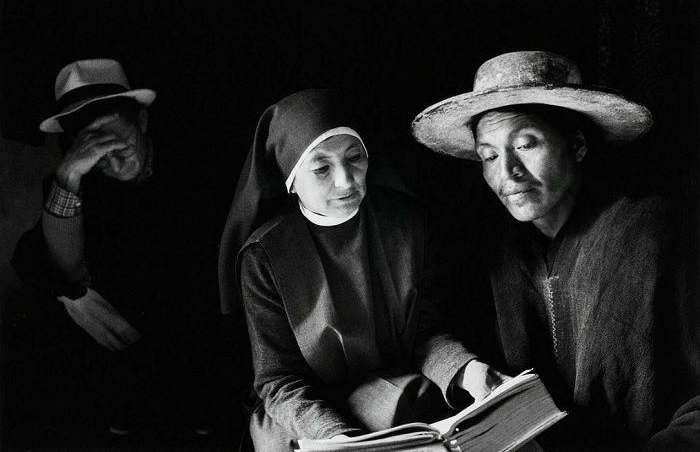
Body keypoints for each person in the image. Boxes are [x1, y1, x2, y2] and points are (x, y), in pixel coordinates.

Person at [412, 51, 700, 451]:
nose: (506, 173)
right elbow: (426, 331)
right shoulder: (490, 244)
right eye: (489, 156)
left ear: (577, 145)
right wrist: (466, 369)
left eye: (526, 144)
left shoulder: (652, 234)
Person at [218, 89, 508, 451]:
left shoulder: (408, 224)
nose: (346, 180)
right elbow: (279, 380)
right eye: (321, 168)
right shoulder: (264, 255)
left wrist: (468, 371)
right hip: (301, 407)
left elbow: (426, 334)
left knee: (413, 407)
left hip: (385, 384)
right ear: (290, 178)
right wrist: (334, 437)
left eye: (354, 157)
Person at [11, 59, 216, 441]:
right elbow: (34, 255)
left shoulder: (197, 166)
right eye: (91, 149)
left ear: (142, 122)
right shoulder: (73, 180)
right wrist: (69, 176)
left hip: (199, 345)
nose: (111, 160)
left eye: (115, 141)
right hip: (123, 358)